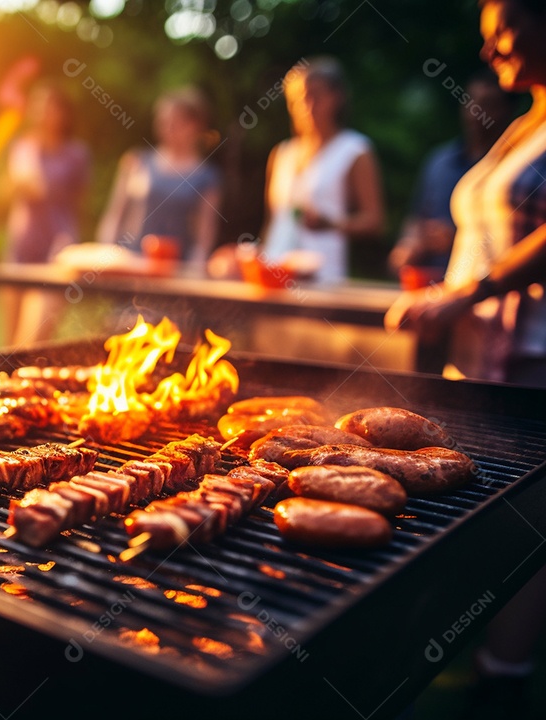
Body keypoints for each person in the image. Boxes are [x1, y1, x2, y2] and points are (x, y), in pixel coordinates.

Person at [387, 0, 546, 715]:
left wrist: (468, 294)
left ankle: (503, 676)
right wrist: (438, 291)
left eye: (502, 32)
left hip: (534, 355)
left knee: (531, 515)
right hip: (474, 353)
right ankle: (463, 649)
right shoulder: (523, 125)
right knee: (475, 500)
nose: (490, 52)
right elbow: (485, 227)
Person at [388, 71, 516, 372]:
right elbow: (415, 221)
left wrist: (455, 236)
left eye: (488, 104)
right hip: (433, 298)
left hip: (487, 305)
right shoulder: (439, 162)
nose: (476, 113)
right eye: (471, 102)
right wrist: (409, 246)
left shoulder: (514, 167)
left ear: (508, 110)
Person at [260, 56, 385, 284]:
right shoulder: (282, 153)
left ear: (337, 98)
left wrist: (331, 224)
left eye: (315, 97)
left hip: (323, 279)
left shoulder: (354, 150)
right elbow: (272, 222)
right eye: (297, 100)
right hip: (274, 278)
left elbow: (374, 220)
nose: (306, 107)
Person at [0, 81, 90, 344]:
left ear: (64, 113)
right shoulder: (23, 147)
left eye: (49, 106)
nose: (41, 112)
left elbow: (75, 199)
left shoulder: (76, 154)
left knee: (31, 341)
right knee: (10, 345)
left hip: (57, 248)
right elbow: (9, 191)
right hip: (21, 245)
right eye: (37, 106)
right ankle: (11, 386)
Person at [97, 86, 222, 267]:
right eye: (164, 121)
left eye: (176, 122)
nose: (168, 128)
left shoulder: (207, 177)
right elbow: (115, 215)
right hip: (130, 264)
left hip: (176, 270)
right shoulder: (136, 161)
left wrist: (195, 270)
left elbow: (204, 234)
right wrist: (105, 255)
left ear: (196, 126)